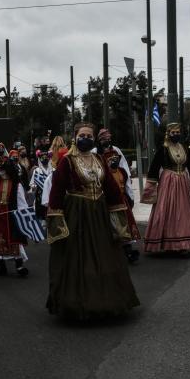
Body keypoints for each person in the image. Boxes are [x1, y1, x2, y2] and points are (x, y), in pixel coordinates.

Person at [46, 123, 140, 319]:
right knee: (78, 257)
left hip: (99, 213)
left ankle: (107, 299)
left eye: (89, 135)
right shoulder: (67, 161)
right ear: (75, 137)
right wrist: (56, 217)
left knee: (105, 254)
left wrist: (119, 208)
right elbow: (56, 191)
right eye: (82, 135)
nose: (86, 138)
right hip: (77, 212)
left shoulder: (99, 159)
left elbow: (110, 186)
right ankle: (78, 302)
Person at [142, 123, 190, 254]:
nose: (176, 135)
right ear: (168, 134)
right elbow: (154, 168)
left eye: (178, 132)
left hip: (183, 182)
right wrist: (150, 188)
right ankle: (167, 242)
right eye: (173, 133)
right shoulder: (163, 149)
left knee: (183, 211)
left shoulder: (185, 148)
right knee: (166, 210)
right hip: (168, 182)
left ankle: (183, 244)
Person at [96, 129, 140, 264]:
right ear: (99, 140)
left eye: (108, 138)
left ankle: (127, 251)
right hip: (103, 197)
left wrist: (130, 194)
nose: (106, 141)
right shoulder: (94, 152)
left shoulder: (116, 150)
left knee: (124, 222)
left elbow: (124, 170)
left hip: (120, 195)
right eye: (103, 138)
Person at [0, 160, 29, 277]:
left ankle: (19, 266)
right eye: (1, 171)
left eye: (3, 171)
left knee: (15, 240)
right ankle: (2, 265)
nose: (1, 173)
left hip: (11, 216)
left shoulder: (17, 185)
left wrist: (21, 213)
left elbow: (21, 202)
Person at [30, 150, 53, 221]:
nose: (44, 159)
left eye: (46, 157)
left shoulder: (53, 170)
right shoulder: (36, 171)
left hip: (51, 195)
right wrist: (33, 187)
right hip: (40, 196)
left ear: (49, 159)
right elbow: (32, 183)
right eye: (42, 158)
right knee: (41, 217)